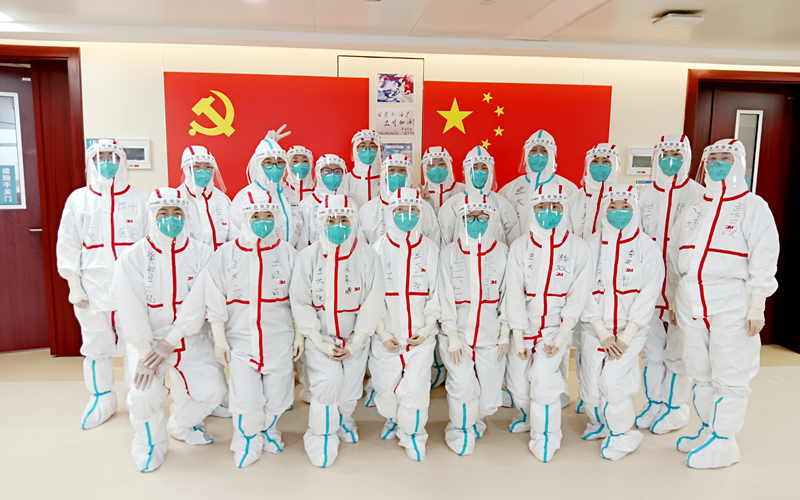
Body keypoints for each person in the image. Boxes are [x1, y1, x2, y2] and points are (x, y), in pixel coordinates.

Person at [670, 139, 779, 469]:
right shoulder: (695, 207)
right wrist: (674, 297)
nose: (717, 164)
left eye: (725, 158)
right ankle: (708, 430)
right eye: (712, 158)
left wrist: (757, 304)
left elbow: (764, 255)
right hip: (691, 299)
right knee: (699, 370)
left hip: (731, 301)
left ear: (739, 163)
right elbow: (675, 253)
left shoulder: (752, 206)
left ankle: (724, 441)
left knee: (730, 371)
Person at [112, 188, 227, 472]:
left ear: (186, 216)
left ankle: (182, 423)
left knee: (213, 391)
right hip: (148, 341)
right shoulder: (133, 257)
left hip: (190, 337)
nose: (171, 219)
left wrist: (173, 338)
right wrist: (143, 351)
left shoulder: (202, 253)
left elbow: (200, 300)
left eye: (177, 212)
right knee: (143, 396)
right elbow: (129, 306)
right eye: (163, 212)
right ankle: (149, 445)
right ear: (151, 215)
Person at [203, 190, 304, 467]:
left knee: (279, 393)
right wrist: (220, 338)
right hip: (241, 339)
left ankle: (269, 429)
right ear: (245, 218)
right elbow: (214, 297)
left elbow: (299, 299)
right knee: (245, 395)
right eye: (255, 216)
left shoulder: (288, 253)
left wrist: (299, 335)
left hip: (278, 337)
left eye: (268, 215)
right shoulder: (226, 254)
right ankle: (246, 438)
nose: (262, 221)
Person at [56, 139, 149, 430]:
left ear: (123, 161)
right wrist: (74, 284)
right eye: (101, 157)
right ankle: (101, 398)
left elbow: (151, 246)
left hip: (132, 285)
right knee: (96, 344)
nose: (107, 163)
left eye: (113, 157)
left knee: (135, 342)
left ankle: (138, 398)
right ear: (92, 162)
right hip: (92, 285)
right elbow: (68, 243)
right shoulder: (79, 199)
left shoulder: (142, 198)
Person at [290, 194, 384, 468]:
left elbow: (373, 299)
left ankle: (343, 419)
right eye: (331, 220)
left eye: (344, 219)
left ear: (352, 221)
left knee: (351, 391)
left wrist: (356, 342)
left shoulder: (367, 255)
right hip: (321, 338)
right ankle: (320, 435)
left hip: (355, 337)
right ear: (321, 221)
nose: (337, 225)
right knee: (328, 384)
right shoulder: (308, 257)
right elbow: (300, 301)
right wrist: (318, 341)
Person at [502, 183, 592, 461]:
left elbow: (578, 296)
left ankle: (546, 436)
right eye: (541, 207)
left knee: (542, 381)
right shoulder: (520, 247)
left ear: (564, 209)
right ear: (533, 209)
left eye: (555, 207)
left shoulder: (578, 248)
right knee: (518, 386)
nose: (548, 212)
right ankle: (530, 416)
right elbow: (513, 292)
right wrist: (518, 336)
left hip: (554, 329)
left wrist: (562, 335)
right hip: (524, 327)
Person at [579, 185, 663, 461]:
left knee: (613, 383)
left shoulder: (647, 248)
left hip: (630, 331)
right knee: (590, 386)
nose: (619, 212)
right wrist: (601, 331)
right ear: (603, 210)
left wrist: (627, 335)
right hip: (595, 330)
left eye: (625, 206)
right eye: (612, 207)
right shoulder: (590, 246)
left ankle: (623, 434)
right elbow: (582, 289)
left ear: (634, 209)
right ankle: (600, 422)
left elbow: (649, 292)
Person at [634, 134, 703, 434]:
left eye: (677, 155)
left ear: (687, 157)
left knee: (677, 352)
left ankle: (676, 407)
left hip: (681, 289)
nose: (670, 161)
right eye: (665, 155)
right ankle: (655, 403)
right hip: (649, 288)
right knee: (652, 352)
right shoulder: (643, 195)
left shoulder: (698, 196)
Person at [369, 187, 441, 461]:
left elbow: (437, 293)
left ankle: (413, 435)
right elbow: (371, 297)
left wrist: (426, 330)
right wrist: (382, 333)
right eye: (400, 210)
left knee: (415, 391)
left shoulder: (430, 249)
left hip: (420, 340)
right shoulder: (377, 248)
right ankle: (394, 418)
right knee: (385, 391)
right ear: (391, 212)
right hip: (386, 338)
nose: (406, 215)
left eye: (412, 210)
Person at [438, 194, 509, 456]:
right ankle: (459, 429)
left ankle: (474, 418)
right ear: (461, 219)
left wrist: (505, 334)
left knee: (489, 400)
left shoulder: (502, 252)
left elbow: (508, 295)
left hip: (490, 337)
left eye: (482, 217)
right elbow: (444, 296)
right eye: (470, 217)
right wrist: (452, 336)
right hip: (457, 337)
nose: (476, 222)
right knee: (462, 387)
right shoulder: (448, 253)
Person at [439, 146, 520, 246]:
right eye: (474, 167)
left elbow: (513, 239)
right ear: (467, 171)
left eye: (484, 168)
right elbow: (445, 241)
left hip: (496, 255)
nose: (479, 171)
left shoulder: (502, 204)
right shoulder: (452, 204)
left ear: (490, 171)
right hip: (461, 255)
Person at [230, 137, 303, 248]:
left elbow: (301, 229)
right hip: (258, 254)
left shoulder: (290, 194)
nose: (275, 168)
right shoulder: (246, 195)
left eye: (279, 162)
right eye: (268, 163)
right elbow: (237, 233)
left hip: (290, 254)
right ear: (258, 165)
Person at [499, 129, 579, 231]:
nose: (538, 155)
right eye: (533, 150)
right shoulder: (509, 189)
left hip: (557, 241)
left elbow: (576, 225)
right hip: (518, 241)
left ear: (551, 155)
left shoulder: (568, 189)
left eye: (544, 151)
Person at [359, 153, 441, 246]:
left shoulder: (424, 207)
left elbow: (434, 242)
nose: (397, 175)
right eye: (391, 170)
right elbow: (362, 247)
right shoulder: (367, 209)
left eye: (402, 170)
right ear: (383, 175)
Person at [298, 154, 359, 249]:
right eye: (326, 171)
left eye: (337, 171)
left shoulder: (351, 204)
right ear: (319, 173)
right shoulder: (306, 204)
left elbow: (357, 236)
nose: (332, 175)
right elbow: (302, 241)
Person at [176, 145, 231, 251]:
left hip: (220, 259)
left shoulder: (222, 199)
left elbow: (234, 236)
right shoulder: (178, 199)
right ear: (186, 169)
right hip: (190, 259)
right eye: (197, 167)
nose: (203, 172)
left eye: (208, 167)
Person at [572, 143, 621, 239]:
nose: (599, 165)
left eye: (605, 161)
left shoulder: (621, 198)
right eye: (595, 161)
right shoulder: (577, 196)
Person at [419, 146, 464, 215]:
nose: (436, 168)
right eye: (431, 165)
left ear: (449, 166)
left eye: (442, 164)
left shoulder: (462, 190)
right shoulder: (417, 193)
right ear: (424, 168)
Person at [347, 129, 382, 207]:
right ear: (355, 150)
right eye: (362, 146)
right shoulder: (347, 179)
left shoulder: (386, 178)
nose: (368, 150)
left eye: (372, 146)